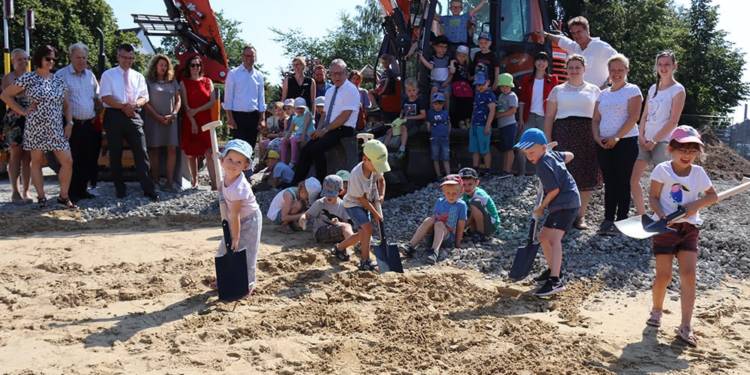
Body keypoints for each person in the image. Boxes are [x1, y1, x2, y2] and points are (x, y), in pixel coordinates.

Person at [646, 126, 717, 348]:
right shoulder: (662, 170)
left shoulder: (698, 173)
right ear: (671, 149)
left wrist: (695, 204)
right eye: (682, 150)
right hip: (666, 229)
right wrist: (663, 215)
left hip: (689, 229)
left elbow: (712, 196)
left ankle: (686, 325)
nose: (686, 155)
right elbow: (653, 198)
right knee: (663, 276)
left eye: (692, 151)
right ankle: (657, 310)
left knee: (689, 274)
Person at [1, 45, 75, 208]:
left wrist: (69, 123)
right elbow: (5, 95)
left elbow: (67, 105)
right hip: (36, 126)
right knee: (36, 162)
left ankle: (63, 196)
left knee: (67, 161)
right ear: (39, 59)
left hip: (56, 127)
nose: (51, 62)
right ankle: (41, 197)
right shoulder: (29, 78)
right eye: (48, 58)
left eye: (54, 59)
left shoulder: (58, 80)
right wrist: (22, 111)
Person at [515, 128, 580, 297]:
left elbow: (554, 191)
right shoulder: (551, 156)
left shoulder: (543, 164)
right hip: (564, 202)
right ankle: (554, 270)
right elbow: (571, 155)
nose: (529, 157)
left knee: (554, 239)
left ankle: (555, 281)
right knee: (543, 237)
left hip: (566, 203)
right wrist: (551, 152)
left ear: (543, 148)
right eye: (526, 153)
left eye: (532, 152)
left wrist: (541, 207)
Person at [544, 55, 601, 230]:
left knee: (585, 175)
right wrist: (548, 140)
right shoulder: (557, 90)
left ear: (584, 69)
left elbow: (599, 117)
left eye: (578, 67)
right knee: (561, 175)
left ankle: (580, 216)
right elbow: (549, 117)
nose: (574, 70)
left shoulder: (595, 90)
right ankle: (560, 214)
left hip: (587, 134)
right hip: (563, 133)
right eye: (571, 67)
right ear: (566, 70)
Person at [591, 54, 642, 235]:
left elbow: (633, 116)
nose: (616, 73)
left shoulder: (633, 90)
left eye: (620, 69)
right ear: (609, 72)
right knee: (609, 181)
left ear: (627, 70)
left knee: (623, 180)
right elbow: (596, 119)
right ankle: (608, 218)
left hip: (626, 141)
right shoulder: (603, 93)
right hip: (604, 142)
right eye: (613, 70)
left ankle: (622, 219)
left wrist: (617, 137)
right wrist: (597, 137)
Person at [99, 43, 158, 201]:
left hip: (134, 114)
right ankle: (120, 188)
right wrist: (123, 107)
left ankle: (148, 188)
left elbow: (145, 97)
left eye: (131, 58)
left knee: (141, 151)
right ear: (118, 57)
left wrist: (135, 105)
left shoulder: (138, 76)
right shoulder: (108, 75)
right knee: (115, 152)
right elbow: (105, 97)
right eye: (125, 57)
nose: (128, 61)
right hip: (114, 115)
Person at [631, 51, 686, 215]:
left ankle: (665, 215)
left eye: (667, 64)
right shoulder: (653, 88)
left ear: (674, 66)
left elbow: (673, 121)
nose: (663, 68)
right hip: (644, 140)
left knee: (664, 182)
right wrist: (640, 135)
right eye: (660, 64)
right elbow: (645, 114)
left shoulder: (678, 90)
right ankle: (642, 215)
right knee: (633, 180)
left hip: (663, 142)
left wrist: (654, 140)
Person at [292, 59, 360, 184]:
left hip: (344, 129)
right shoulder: (330, 91)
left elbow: (345, 116)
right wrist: (318, 130)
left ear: (346, 73)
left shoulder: (351, 89)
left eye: (340, 73)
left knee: (317, 149)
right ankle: (296, 183)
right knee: (306, 148)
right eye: (334, 73)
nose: (337, 76)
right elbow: (324, 113)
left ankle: (320, 183)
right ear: (330, 74)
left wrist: (325, 130)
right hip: (331, 128)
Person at [332, 140, 389, 271]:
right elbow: (361, 199)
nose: (378, 168)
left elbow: (381, 180)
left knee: (363, 234)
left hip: (366, 202)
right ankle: (365, 261)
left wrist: (381, 196)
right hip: (353, 204)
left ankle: (339, 248)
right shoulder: (356, 175)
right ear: (365, 159)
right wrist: (376, 214)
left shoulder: (375, 166)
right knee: (367, 229)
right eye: (376, 165)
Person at [56, 43, 102, 202]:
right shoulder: (61, 75)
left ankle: (82, 190)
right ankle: (69, 192)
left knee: (88, 158)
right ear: (71, 57)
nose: (82, 60)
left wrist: (97, 112)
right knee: (71, 160)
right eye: (78, 57)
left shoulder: (90, 75)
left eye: (84, 57)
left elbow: (97, 97)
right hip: (70, 124)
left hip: (89, 124)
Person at [216, 139, 263, 294]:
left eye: (238, 162)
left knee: (246, 251)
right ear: (222, 161)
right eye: (230, 159)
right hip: (234, 219)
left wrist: (235, 238)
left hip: (250, 220)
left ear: (245, 166)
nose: (233, 164)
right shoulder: (225, 178)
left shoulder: (240, 187)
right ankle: (225, 278)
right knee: (224, 248)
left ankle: (248, 284)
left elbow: (235, 214)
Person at [402, 174, 467, 264]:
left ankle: (434, 252)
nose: (451, 196)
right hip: (434, 234)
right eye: (448, 193)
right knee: (430, 219)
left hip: (447, 236)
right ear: (443, 191)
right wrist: (438, 218)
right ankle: (411, 246)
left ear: (461, 191)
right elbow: (434, 218)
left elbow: (461, 224)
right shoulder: (440, 201)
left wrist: (457, 244)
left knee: (439, 224)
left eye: (454, 193)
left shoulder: (461, 205)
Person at [540, 16, 617, 88]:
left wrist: (607, 84)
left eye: (579, 31)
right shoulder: (574, 47)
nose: (576, 35)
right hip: (580, 96)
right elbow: (562, 40)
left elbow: (619, 63)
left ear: (587, 31)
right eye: (573, 33)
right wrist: (546, 35)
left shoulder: (601, 46)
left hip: (599, 97)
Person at [143, 54, 181, 192]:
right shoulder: (148, 82)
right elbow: (145, 102)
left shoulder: (172, 81)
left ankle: (170, 182)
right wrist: (157, 117)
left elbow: (178, 100)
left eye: (165, 65)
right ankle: (155, 180)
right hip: (153, 120)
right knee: (155, 150)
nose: (163, 67)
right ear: (155, 66)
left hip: (171, 120)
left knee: (171, 149)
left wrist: (174, 113)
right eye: (161, 65)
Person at [517, 51, 559, 175]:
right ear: (535, 62)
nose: (541, 63)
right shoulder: (526, 79)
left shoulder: (553, 80)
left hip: (545, 118)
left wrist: (554, 118)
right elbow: (522, 101)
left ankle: (544, 173)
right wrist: (520, 119)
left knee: (545, 146)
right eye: (539, 60)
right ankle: (521, 173)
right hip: (529, 116)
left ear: (547, 63)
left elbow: (555, 101)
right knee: (522, 145)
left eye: (544, 60)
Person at [180, 55, 217, 189]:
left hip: (206, 121)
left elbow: (212, 101)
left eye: (198, 65)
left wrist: (197, 110)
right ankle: (194, 182)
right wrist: (193, 120)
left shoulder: (208, 81)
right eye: (193, 65)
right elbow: (185, 106)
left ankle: (214, 183)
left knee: (209, 152)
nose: (195, 67)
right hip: (191, 121)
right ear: (188, 67)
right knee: (191, 154)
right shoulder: (184, 83)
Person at [1, 49, 32, 204]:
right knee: (15, 155)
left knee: (28, 157)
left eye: (26, 59)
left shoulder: (33, 76)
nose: (23, 62)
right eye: (20, 59)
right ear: (13, 61)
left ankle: (26, 191)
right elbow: (9, 97)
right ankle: (15, 191)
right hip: (15, 120)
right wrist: (22, 110)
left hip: (30, 119)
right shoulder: (9, 77)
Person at [224, 44, 266, 149]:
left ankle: (249, 166)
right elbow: (228, 98)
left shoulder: (259, 76)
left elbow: (261, 99)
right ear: (242, 57)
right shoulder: (233, 74)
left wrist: (262, 118)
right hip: (237, 117)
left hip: (253, 116)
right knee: (238, 148)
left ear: (255, 58)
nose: (249, 58)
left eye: (252, 56)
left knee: (250, 148)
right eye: (247, 56)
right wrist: (230, 118)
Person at [298, 174, 354, 244]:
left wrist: (338, 223)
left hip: (336, 231)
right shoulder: (320, 203)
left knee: (349, 227)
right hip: (320, 233)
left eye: (332, 194)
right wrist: (303, 218)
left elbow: (345, 222)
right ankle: (354, 244)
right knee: (346, 227)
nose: (328, 197)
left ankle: (351, 243)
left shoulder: (342, 204)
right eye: (326, 193)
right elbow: (307, 214)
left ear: (340, 192)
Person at [384, 78, 425, 158]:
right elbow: (402, 112)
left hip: (415, 123)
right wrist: (399, 119)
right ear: (406, 92)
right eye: (409, 91)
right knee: (390, 130)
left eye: (413, 90)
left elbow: (423, 115)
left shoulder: (419, 101)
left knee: (403, 127)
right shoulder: (405, 100)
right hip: (405, 121)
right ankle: (383, 150)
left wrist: (409, 117)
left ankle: (402, 149)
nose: (411, 93)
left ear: (417, 90)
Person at [458, 167, 500, 241]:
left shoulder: (479, 194)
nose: (467, 187)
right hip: (481, 220)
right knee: (461, 206)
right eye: (464, 185)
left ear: (477, 183)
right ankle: (472, 231)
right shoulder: (465, 194)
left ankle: (481, 234)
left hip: (491, 225)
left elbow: (472, 216)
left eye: (470, 184)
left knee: (474, 202)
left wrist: (464, 226)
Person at [469, 72, 496, 174]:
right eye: (477, 84)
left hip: (483, 125)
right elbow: (474, 109)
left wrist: (488, 125)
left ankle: (487, 170)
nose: (479, 86)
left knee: (484, 149)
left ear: (488, 82)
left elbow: (492, 110)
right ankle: (475, 169)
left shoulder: (490, 95)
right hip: (474, 125)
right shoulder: (477, 94)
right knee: (474, 149)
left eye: (481, 84)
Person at [495, 73, 519, 176]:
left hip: (510, 124)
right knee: (505, 148)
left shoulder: (512, 96)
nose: (504, 89)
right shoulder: (500, 96)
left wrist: (499, 115)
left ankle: (508, 170)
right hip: (502, 125)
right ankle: (504, 169)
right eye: (502, 86)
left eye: (506, 86)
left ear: (510, 86)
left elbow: (513, 110)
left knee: (509, 148)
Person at [281, 97, 315, 167]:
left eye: (301, 108)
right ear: (294, 108)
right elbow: (290, 130)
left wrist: (302, 137)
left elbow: (305, 127)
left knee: (293, 139)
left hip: (308, 135)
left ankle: (293, 161)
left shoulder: (307, 114)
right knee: (284, 141)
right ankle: (283, 161)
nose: (300, 110)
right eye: (298, 108)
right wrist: (286, 137)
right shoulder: (294, 118)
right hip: (299, 134)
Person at [368, 54, 399, 122]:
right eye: (382, 63)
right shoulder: (384, 72)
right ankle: (375, 105)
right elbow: (380, 82)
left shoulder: (389, 71)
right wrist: (377, 79)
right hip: (381, 88)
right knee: (371, 92)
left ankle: (375, 106)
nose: (383, 64)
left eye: (385, 63)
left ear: (389, 63)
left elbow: (387, 81)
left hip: (385, 90)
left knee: (370, 92)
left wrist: (382, 91)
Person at [449, 45, 473, 129]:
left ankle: (467, 119)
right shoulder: (455, 63)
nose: (461, 58)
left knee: (468, 101)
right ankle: (460, 121)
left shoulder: (468, 65)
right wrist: (452, 62)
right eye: (459, 56)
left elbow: (469, 77)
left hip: (465, 86)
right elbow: (452, 71)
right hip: (457, 85)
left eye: (464, 56)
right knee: (459, 102)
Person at [427, 92, 451, 178]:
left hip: (444, 138)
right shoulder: (430, 113)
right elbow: (428, 125)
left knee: (446, 157)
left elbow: (449, 124)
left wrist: (448, 133)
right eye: (435, 103)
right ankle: (439, 175)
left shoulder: (445, 113)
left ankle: (448, 175)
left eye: (440, 103)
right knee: (435, 157)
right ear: (432, 104)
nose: (438, 105)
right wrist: (430, 132)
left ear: (443, 104)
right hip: (434, 138)